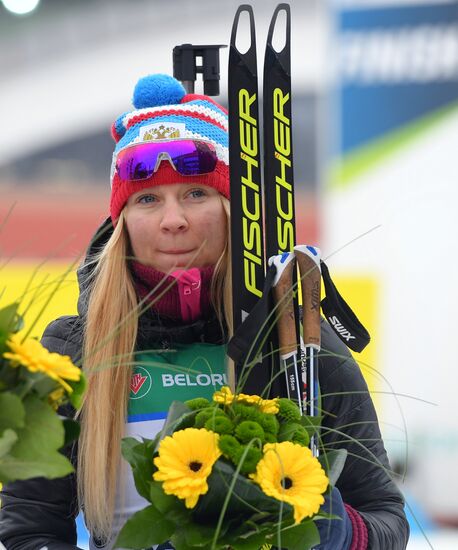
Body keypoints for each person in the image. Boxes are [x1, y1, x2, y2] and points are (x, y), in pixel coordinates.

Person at [0, 74, 409, 550]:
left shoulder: (297, 343)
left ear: (232, 210)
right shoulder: (75, 349)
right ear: (123, 222)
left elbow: (388, 522)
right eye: (147, 199)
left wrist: (337, 531)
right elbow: (30, 530)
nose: (173, 220)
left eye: (196, 193)